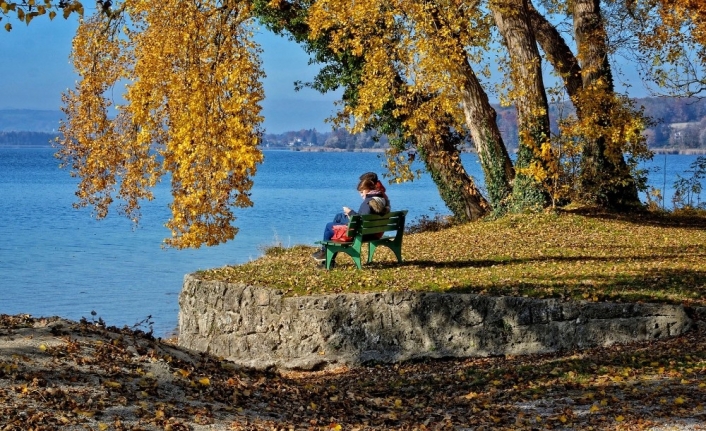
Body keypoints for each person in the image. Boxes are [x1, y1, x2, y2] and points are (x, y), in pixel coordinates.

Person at [312, 177, 390, 262]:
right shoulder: (382, 199)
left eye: (362, 192)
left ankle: (325, 253)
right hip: (373, 232)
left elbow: (360, 221)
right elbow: (364, 217)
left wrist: (350, 212)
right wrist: (351, 215)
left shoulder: (368, 202)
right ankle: (328, 256)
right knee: (339, 216)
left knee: (329, 226)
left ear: (368, 189)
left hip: (362, 233)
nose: (361, 195)